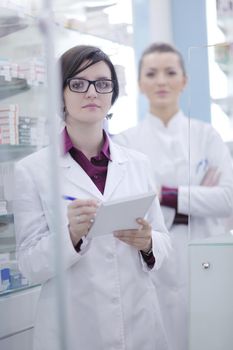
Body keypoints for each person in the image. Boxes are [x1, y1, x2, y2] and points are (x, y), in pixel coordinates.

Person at [13, 45, 172, 350]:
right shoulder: (32, 171)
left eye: (102, 84)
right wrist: (70, 236)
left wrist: (148, 243)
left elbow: (164, 241)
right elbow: (30, 264)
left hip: (139, 323)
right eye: (78, 83)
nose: (91, 93)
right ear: (60, 94)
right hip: (74, 329)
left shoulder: (137, 163)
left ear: (112, 94)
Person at [113, 42, 233, 350]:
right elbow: (129, 213)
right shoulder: (126, 142)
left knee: (213, 338)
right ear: (140, 83)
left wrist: (164, 194)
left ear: (184, 80)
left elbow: (229, 198)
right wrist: (198, 199)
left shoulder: (206, 135)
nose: (161, 81)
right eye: (151, 74)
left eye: (170, 72)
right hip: (154, 268)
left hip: (209, 259)